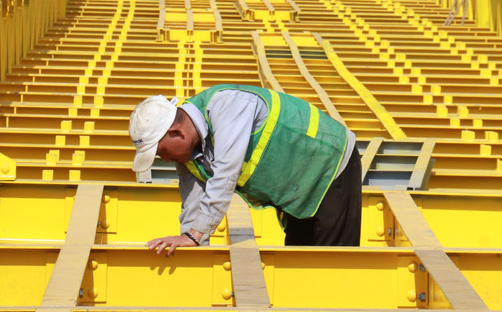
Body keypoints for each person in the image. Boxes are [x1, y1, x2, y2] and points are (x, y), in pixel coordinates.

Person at [129, 85, 362, 255]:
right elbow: (192, 205)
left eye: (161, 152)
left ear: (177, 132)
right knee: (300, 265)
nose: (165, 159)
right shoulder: (187, 157)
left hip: (330, 161)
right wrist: (190, 243)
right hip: (299, 187)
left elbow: (225, 174)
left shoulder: (228, 106)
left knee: (332, 265)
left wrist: (194, 236)